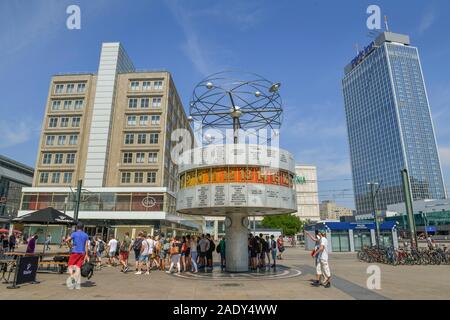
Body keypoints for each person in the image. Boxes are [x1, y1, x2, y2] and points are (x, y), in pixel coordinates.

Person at [66, 223, 89, 290]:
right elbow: (86, 246)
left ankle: (72, 278)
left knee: (70, 266)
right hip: (82, 253)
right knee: (78, 267)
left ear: (77, 227)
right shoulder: (86, 235)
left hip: (75, 252)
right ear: (83, 227)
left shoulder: (74, 234)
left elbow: (67, 240)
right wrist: (87, 254)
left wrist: (70, 245)